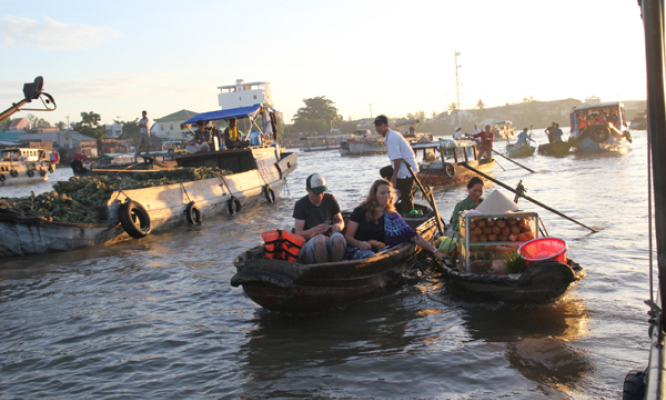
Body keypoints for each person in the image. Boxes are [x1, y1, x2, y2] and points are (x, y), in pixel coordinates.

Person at [345, 179, 445, 260]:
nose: (386, 196)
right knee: (367, 256)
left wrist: (435, 251)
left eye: (389, 193)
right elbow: (348, 237)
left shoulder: (392, 215)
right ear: (374, 195)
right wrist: (359, 244)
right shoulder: (360, 211)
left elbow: (412, 235)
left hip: (381, 250)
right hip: (358, 249)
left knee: (379, 257)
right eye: (382, 193)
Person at [293, 173, 346, 264]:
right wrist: (315, 230)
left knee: (338, 239)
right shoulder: (300, 205)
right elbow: (298, 233)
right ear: (308, 190)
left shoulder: (330, 199)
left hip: (329, 238)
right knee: (320, 240)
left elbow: (340, 221)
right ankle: (324, 270)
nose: (320, 196)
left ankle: (337, 267)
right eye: (316, 193)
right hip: (310, 242)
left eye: (322, 192)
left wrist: (337, 227)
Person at [374, 114, 419, 214]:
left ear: (387, 125)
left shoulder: (391, 138)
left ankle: (409, 217)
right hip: (405, 166)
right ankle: (407, 188)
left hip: (407, 169)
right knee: (384, 171)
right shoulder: (391, 135)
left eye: (380, 125)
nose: (378, 128)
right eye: (376, 125)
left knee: (406, 197)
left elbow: (397, 159)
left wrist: (394, 178)